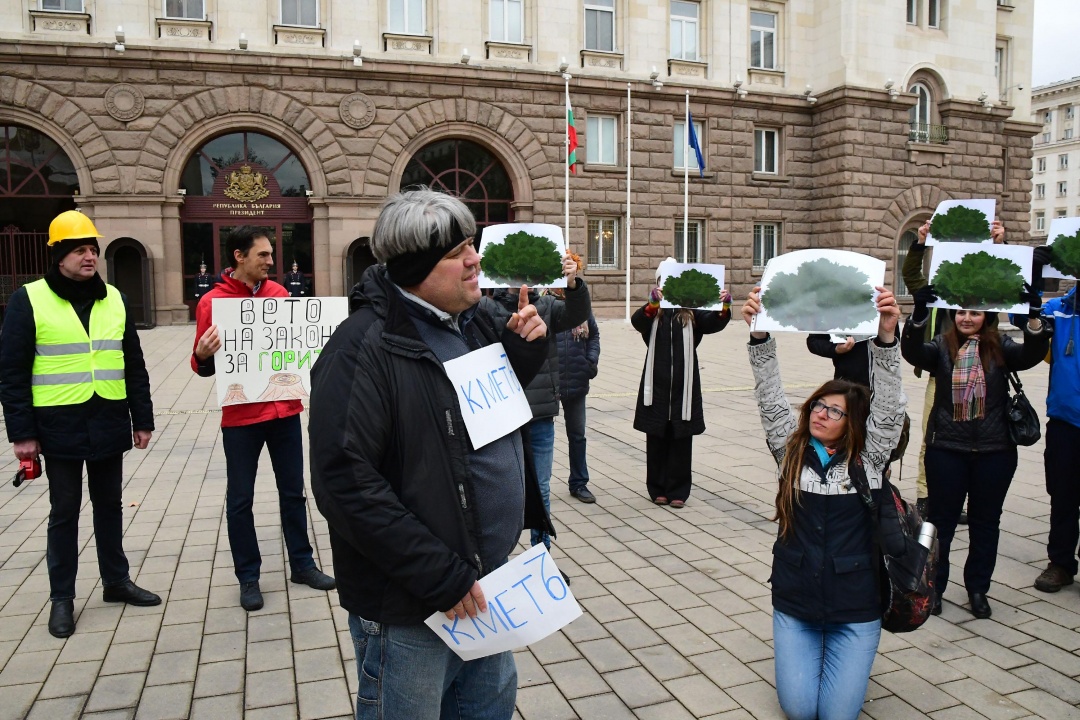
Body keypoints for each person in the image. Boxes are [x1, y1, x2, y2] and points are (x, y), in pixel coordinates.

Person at [307, 188, 554, 720]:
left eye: (471, 243)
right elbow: (344, 483)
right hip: (415, 605)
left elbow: (467, 421)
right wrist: (439, 576)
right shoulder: (361, 347)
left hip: (484, 587)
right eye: (455, 252)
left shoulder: (473, 321)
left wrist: (523, 352)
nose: (474, 260)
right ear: (418, 267)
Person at [743, 284, 906, 720]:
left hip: (855, 608)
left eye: (834, 411)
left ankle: (846, 658)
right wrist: (760, 337)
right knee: (799, 709)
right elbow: (769, 396)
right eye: (818, 404)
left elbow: (888, 409)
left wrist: (887, 338)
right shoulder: (790, 451)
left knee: (836, 715)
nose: (821, 413)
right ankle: (807, 650)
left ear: (852, 422)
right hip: (797, 603)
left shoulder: (870, 459)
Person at [0, 210, 160, 639]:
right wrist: (22, 434)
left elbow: (134, 364)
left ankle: (116, 581)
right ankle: (62, 598)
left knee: (109, 506)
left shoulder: (114, 297)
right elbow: (12, 373)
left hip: (108, 418)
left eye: (93, 249)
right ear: (59, 255)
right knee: (64, 512)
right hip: (58, 423)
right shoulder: (29, 299)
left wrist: (141, 419)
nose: (89, 257)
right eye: (79, 250)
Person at [191, 226, 335, 612]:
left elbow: (297, 350)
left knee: (293, 492)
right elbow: (202, 366)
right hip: (241, 418)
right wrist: (203, 355)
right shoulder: (212, 303)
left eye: (271, 255)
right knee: (240, 499)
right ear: (239, 256)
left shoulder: (280, 296)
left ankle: (302, 564)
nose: (271, 262)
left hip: (285, 410)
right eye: (263, 255)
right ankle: (248, 577)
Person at [901, 274, 1051, 619]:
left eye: (975, 313)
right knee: (941, 523)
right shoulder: (941, 347)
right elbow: (912, 351)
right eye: (961, 313)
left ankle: (978, 588)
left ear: (988, 317)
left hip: (995, 452)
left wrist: (1033, 315)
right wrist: (920, 312)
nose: (967, 318)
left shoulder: (1000, 347)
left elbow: (1033, 352)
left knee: (986, 523)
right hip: (947, 451)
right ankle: (933, 588)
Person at [480, 255, 591, 543]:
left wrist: (572, 284)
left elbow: (577, 314)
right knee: (500, 493)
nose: (524, 281)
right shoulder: (486, 306)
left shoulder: (548, 305)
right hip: (502, 417)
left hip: (539, 415)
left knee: (540, 489)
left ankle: (541, 558)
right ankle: (499, 562)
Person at [904, 219, 1005, 520]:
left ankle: (963, 495)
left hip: (982, 375)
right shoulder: (937, 293)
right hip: (942, 375)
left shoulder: (987, 294)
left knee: (973, 437)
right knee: (931, 437)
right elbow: (910, 274)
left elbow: (1009, 281)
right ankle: (925, 496)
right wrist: (921, 242)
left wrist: (999, 246)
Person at [632, 266, 731, 507]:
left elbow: (714, 322)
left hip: (683, 389)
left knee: (681, 439)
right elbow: (637, 322)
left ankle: (678, 490)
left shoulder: (692, 313)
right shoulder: (653, 313)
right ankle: (657, 488)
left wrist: (724, 306)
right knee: (656, 438)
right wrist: (652, 304)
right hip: (655, 388)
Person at [1033, 251, 1079, 593]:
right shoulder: (1061, 309)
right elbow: (1025, 314)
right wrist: (1031, 266)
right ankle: (1060, 563)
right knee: (1062, 494)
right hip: (1065, 421)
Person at [555, 300, 601, 503]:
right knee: (539, 437)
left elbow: (594, 336)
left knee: (577, 435)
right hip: (548, 381)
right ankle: (537, 486)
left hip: (576, 379)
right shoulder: (542, 302)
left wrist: (590, 361)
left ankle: (579, 482)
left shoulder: (579, 304)